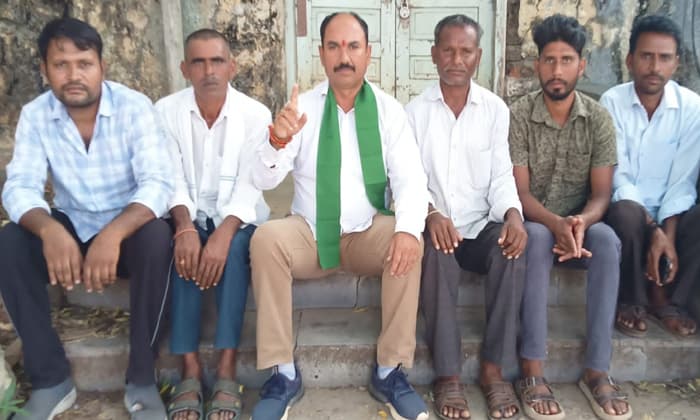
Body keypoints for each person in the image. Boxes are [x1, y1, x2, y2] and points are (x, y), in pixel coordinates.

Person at [247, 11, 430, 420]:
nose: (343, 57)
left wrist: (407, 230)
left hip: (366, 233)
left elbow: (411, 179)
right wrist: (277, 140)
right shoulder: (302, 110)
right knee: (265, 239)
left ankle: (389, 370)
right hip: (310, 235)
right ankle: (282, 373)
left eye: (353, 46)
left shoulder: (388, 110)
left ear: (368, 54)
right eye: (334, 46)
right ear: (321, 53)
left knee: (409, 238)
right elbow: (262, 178)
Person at [0, 17, 173, 420]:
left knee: (157, 238)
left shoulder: (134, 107)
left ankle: (142, 379)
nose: (73, 75)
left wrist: (113, 234)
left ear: (102, 67)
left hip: (127, 230)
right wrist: (48, 229)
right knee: (10, 243)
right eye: (61, 65)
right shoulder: (36, 115)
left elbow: (158, 184)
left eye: (84, 63)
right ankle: (51, 380)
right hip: (70, 228)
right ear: (44, 70)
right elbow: (20, 186)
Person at [509, 14, 632, 420]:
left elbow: (602, 194)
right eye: (549, 60)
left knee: (608, 241)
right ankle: (532, 369)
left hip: (582, 223)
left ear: (582, 65)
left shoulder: (598, 118)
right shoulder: (519, 115)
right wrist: (555, 223)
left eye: (566, 60)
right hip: (537, 219)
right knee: (537, 239)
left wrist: (581, 222)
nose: (556, 71)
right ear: (537, 65)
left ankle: (597, 369)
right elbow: (521, 193)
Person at [406, 14, 527, 420]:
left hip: (479, 224)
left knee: (512, 249)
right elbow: (405, 180)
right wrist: (431, 214)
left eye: (466, 51)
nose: (456, 60)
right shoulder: (414, 113)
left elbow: (501, 175)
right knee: (436, 252)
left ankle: (494, 369)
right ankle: (448, 375)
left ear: (478, 56)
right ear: (434, 54)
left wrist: (513, 215)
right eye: (448, 50)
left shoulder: (494, 110)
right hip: (438, 226)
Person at [156, 29, 271, 420]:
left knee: (236, 249)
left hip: (237, 216)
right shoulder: (165, 112)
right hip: (186, 212)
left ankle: (226, 367)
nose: (209, 71)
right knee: (181, 251)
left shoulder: (255, 115)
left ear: (231, 67)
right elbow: (169, 175)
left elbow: (251, 183)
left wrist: (223, 233)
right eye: (199, 62)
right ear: (184, 68)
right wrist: (185, 227)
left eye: (217, 61)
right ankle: (189, 367)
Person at [601, 15, 700, 340]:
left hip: (673, 214)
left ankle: (672, 301)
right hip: (628, 211)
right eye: (646, 56)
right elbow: (619, 177)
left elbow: (683, 180)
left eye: (664, 58)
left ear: (676, 63)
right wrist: (653, 230)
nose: (655, 67)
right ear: (630, 60)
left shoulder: (692, 107)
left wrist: (666, 235)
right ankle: (631, 301)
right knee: (626, 213)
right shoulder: (612, 102)